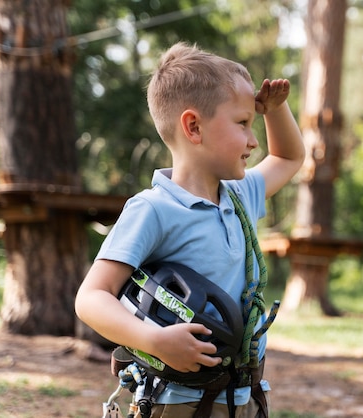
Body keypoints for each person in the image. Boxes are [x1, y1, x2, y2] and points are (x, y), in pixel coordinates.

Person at [75, 41, 305, 418]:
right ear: (193, 127)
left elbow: (289, 157)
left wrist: (274, 111)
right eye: (242, 123)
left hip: (243, 395)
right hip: (176, 402)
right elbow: (91, 297)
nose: (254, 140)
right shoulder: (153, 210)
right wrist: (154, 340)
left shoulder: (240, 195)